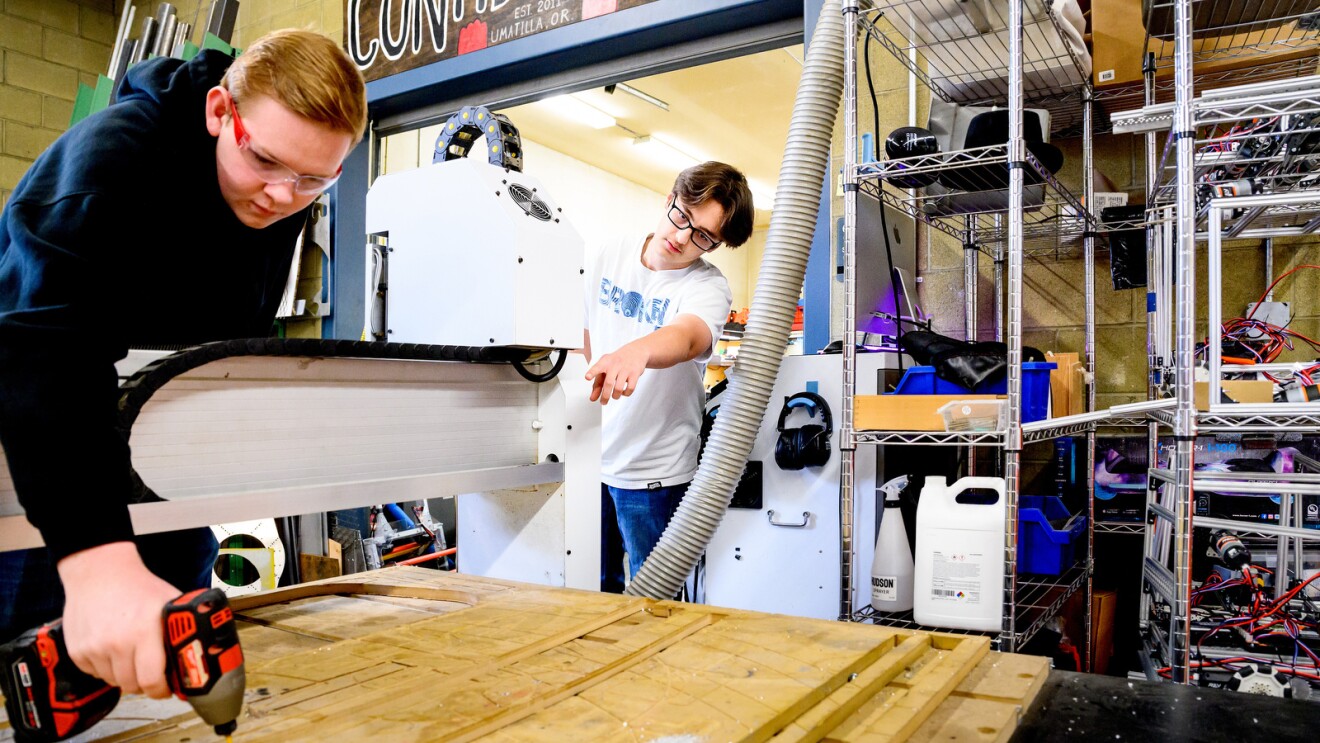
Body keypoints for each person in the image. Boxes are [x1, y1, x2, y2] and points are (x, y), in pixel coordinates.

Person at [0, 29, 367, 698]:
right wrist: (97, 564)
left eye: (313, 180)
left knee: (166, 663)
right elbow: (41, 353)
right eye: (265, 161)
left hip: (154, 458)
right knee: (28, 667)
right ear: (219, 113)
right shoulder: (109, 165)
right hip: (33, 451)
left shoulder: (272, 189)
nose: (283, 197)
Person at [583, 161, 755, 593]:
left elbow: (689, 336)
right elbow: (582, 333)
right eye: (682, 217)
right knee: (588, 588)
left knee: (655, 600)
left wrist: (639, 350)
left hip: (653, 475)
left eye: (703, 236)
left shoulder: (707, 287)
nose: (682, 238)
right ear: (669, 199)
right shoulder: (610, 253)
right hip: (589, 458)